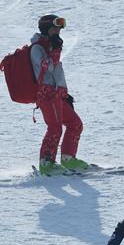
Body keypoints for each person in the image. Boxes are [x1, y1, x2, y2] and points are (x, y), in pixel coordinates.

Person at [30, 14, 87, 176]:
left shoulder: (49, 45)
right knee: (54, 128)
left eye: (59, 30)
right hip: (47, 95)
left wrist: (64, 93)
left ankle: (68, 159)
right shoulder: (37, 48)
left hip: (57, 94)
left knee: (75, 124)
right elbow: (47, 67)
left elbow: (56, 72)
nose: (58, 33)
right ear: (46, 30)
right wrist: (55, 49)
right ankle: (46, 163)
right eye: (55, 29)